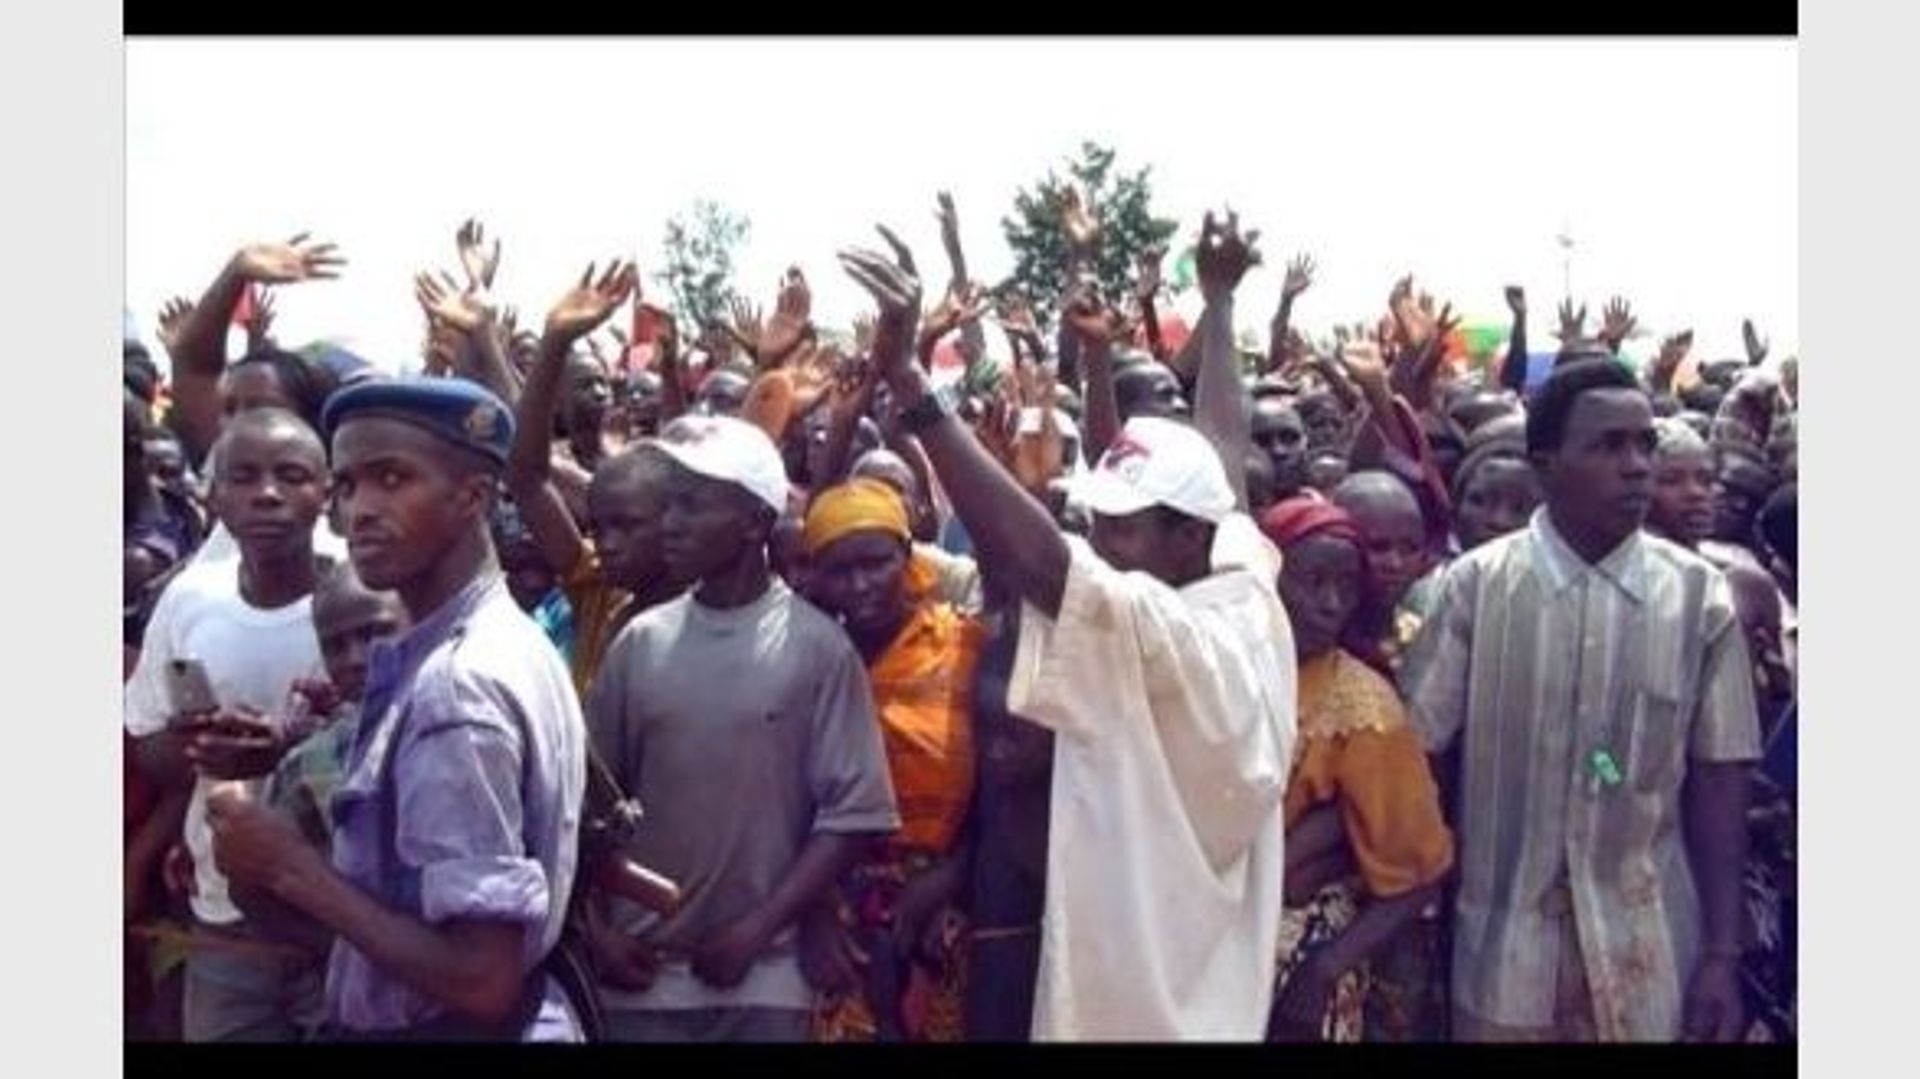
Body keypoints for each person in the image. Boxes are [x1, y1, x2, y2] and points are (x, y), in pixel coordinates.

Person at [838, 210, 1294, 1040]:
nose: (1099, 540)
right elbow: (1219, 454)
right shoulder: (1238, 571)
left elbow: (1044, 563)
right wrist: (1221, 303)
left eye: (1120, 527)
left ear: (1184, 536)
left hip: (1144, 1005)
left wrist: (911, 383)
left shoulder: (1176, 638)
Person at [206, 378, 589, 1041]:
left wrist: (290, 866)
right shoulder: (506, 637)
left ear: (473, 496)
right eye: (348, 485)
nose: (361, 509)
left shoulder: (458, 684)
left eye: (392, 478)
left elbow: (480, 979)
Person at [1401, 358, 1759, 1042]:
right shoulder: (1471, 588)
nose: (1636, 466)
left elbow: (1720, 779)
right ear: (1546, 465)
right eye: (1607, 445)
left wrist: (1721, 953)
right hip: (1502, 958)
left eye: (1645, 444)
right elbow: (1423, 761)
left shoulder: (1699, 597)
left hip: (1651, 953)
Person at [581, 414, 900, 1043]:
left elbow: (852, 815)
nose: (671, 523)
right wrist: (599, 931)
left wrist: (759, 928)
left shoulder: (818, 649)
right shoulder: (640, 642)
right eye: (669, 505)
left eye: (693, 507)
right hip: (644, 980)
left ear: (756, 522)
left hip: (766, 977)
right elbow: (587, 808)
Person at [124, 408, 334, 1042]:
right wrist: (199, 747)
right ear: (211, 494)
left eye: (291, 475)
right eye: (243, 476)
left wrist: (290, 750)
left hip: (344, 910)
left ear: (325, 491)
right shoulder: (190, 599)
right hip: (225, 914)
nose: (267, 493)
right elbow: (148, 744)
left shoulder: (364, 591)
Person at [1258, 497, 1455, 1043]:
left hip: (1291, 951)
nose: (1330, 603)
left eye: (1346, 586)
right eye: (1312, 582)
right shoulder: (1221, 666)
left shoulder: (1362, 706)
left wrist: (1322, 971)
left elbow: (1419, 868)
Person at [801, 479, 986, 1042]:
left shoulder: (964, 646)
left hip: (946, 903)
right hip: (832, 902)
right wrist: (813, 913)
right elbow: (779, 796)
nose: (860, 585)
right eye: (839, 570)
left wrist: (949, 879)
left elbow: (1001, 788)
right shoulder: (806, 660)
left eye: (876, 562)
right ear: (815, 576)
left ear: (907, 555)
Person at [505, 261, 687, 696]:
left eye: (627, 526)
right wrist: (554, 340)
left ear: (677, 522)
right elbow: (527, 479)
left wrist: (670, 375)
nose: (606, 543)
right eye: (600, 527)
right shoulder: (599, 589)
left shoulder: (711, 606)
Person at [1332, 470, 1432, 672]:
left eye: (1410, 548)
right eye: (1378, 547)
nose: (1395, 563)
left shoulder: (1426, 638)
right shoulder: (1316, 642)